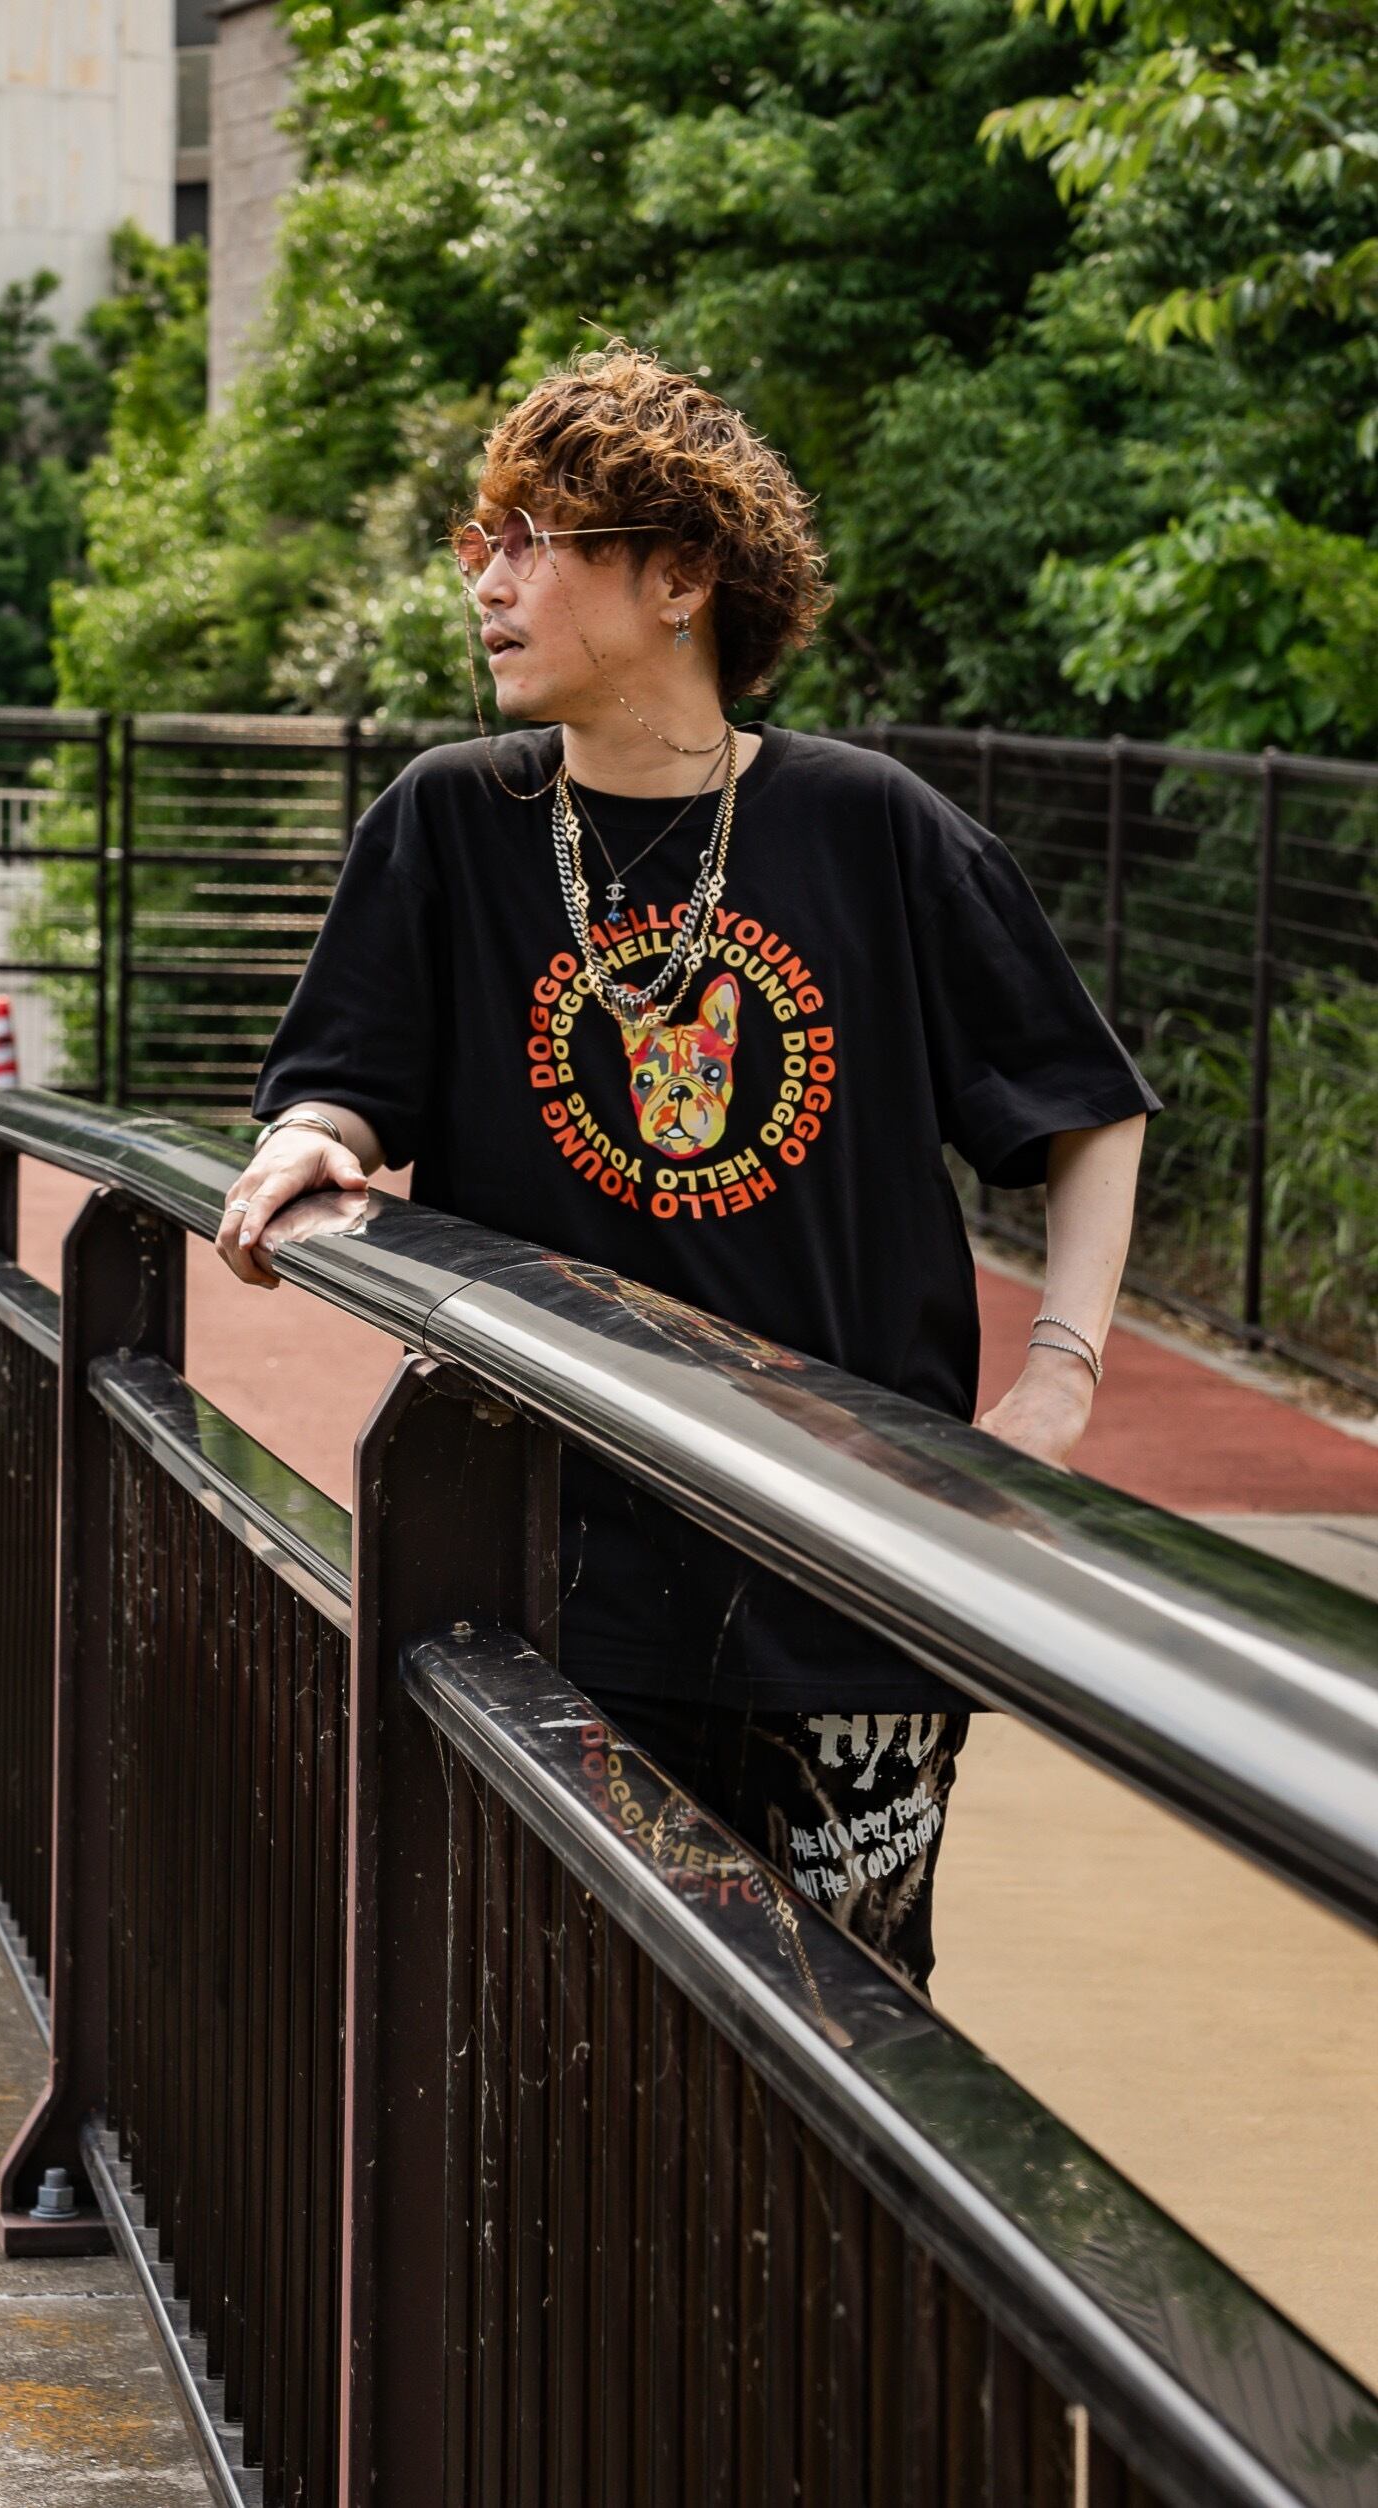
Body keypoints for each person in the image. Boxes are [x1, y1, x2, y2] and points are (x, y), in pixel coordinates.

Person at [218, 342, 1161, 1994]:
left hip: (850, 1575)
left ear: (679, 578)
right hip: (547, 1569)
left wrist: (1060, 1385)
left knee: (845, 2037)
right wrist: (314, 1137)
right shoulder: (449, 823)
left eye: (534, 540)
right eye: (481, 540)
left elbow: (1086, 1108)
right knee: (567, 2033)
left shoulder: (869, 825)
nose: (488, 581)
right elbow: (343, 1083)